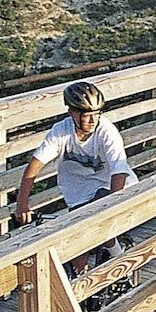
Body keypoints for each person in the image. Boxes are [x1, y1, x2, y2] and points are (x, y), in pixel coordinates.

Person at [15, 80, 139, 276]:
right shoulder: (61, 131)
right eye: (87, 115)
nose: (92, 120)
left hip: (111, 184)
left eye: (97, 114)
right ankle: (81, 281)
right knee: (75, 241)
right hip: (79, 190)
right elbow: (35, 166)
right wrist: (22, 204)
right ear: (72, 112)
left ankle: (121, 262)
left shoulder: (106, 131)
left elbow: (119, 168)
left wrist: (114, 205)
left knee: (100, 227)